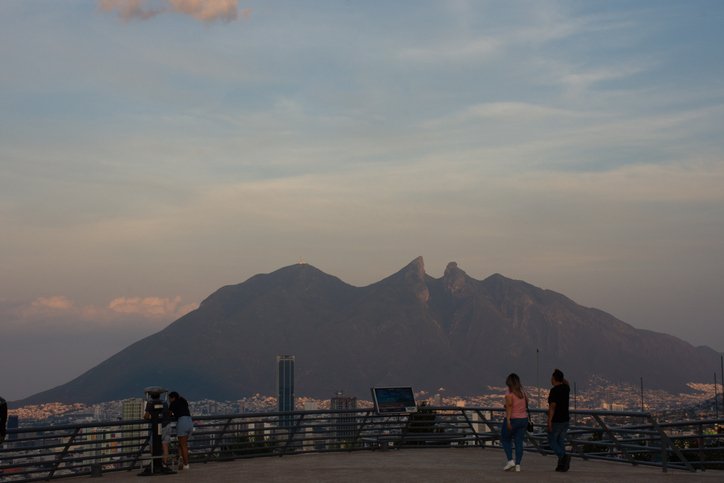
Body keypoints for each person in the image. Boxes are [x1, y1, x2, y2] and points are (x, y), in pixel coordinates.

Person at [501, 373, 529, 472]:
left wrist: (508, 420)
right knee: (519, 442)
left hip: (513, 419)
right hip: (523, 420)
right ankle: (518, 465)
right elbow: (526, 403)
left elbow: (509, 406)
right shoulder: (522, 392)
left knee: (505, 439)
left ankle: (510, 461)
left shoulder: (509, 392)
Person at [547, 368, 571, 472]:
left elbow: (552, 407)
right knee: (560, 441)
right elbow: (567, 382)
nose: (551, 380)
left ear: (555, 379)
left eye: (552, 378)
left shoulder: (554, 391)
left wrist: (549, 421)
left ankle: (563, 456)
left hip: (557, 420)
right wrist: (560, 374)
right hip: (565, 419)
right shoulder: (566, 388)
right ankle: (561, 465)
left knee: (552, 441)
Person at [143, 392, 172, 470]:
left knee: (152, 444)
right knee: (165, 445)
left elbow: (146, 416)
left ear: (151, 396)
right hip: (167, 425)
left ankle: (155, 461)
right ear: (159, 395)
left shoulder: (150, 403)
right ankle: (164, 464)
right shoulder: (164, 403)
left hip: (157, 427)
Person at [168, 391, 193, 470]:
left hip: (182, 422)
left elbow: (169, 413)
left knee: (183, 446)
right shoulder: (183, 401)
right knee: (181, 444)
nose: (169, 400)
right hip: (189, 422)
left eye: (170, 399)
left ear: (173, 398)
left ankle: (186, 464)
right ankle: (181, 460)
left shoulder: (173, 403)